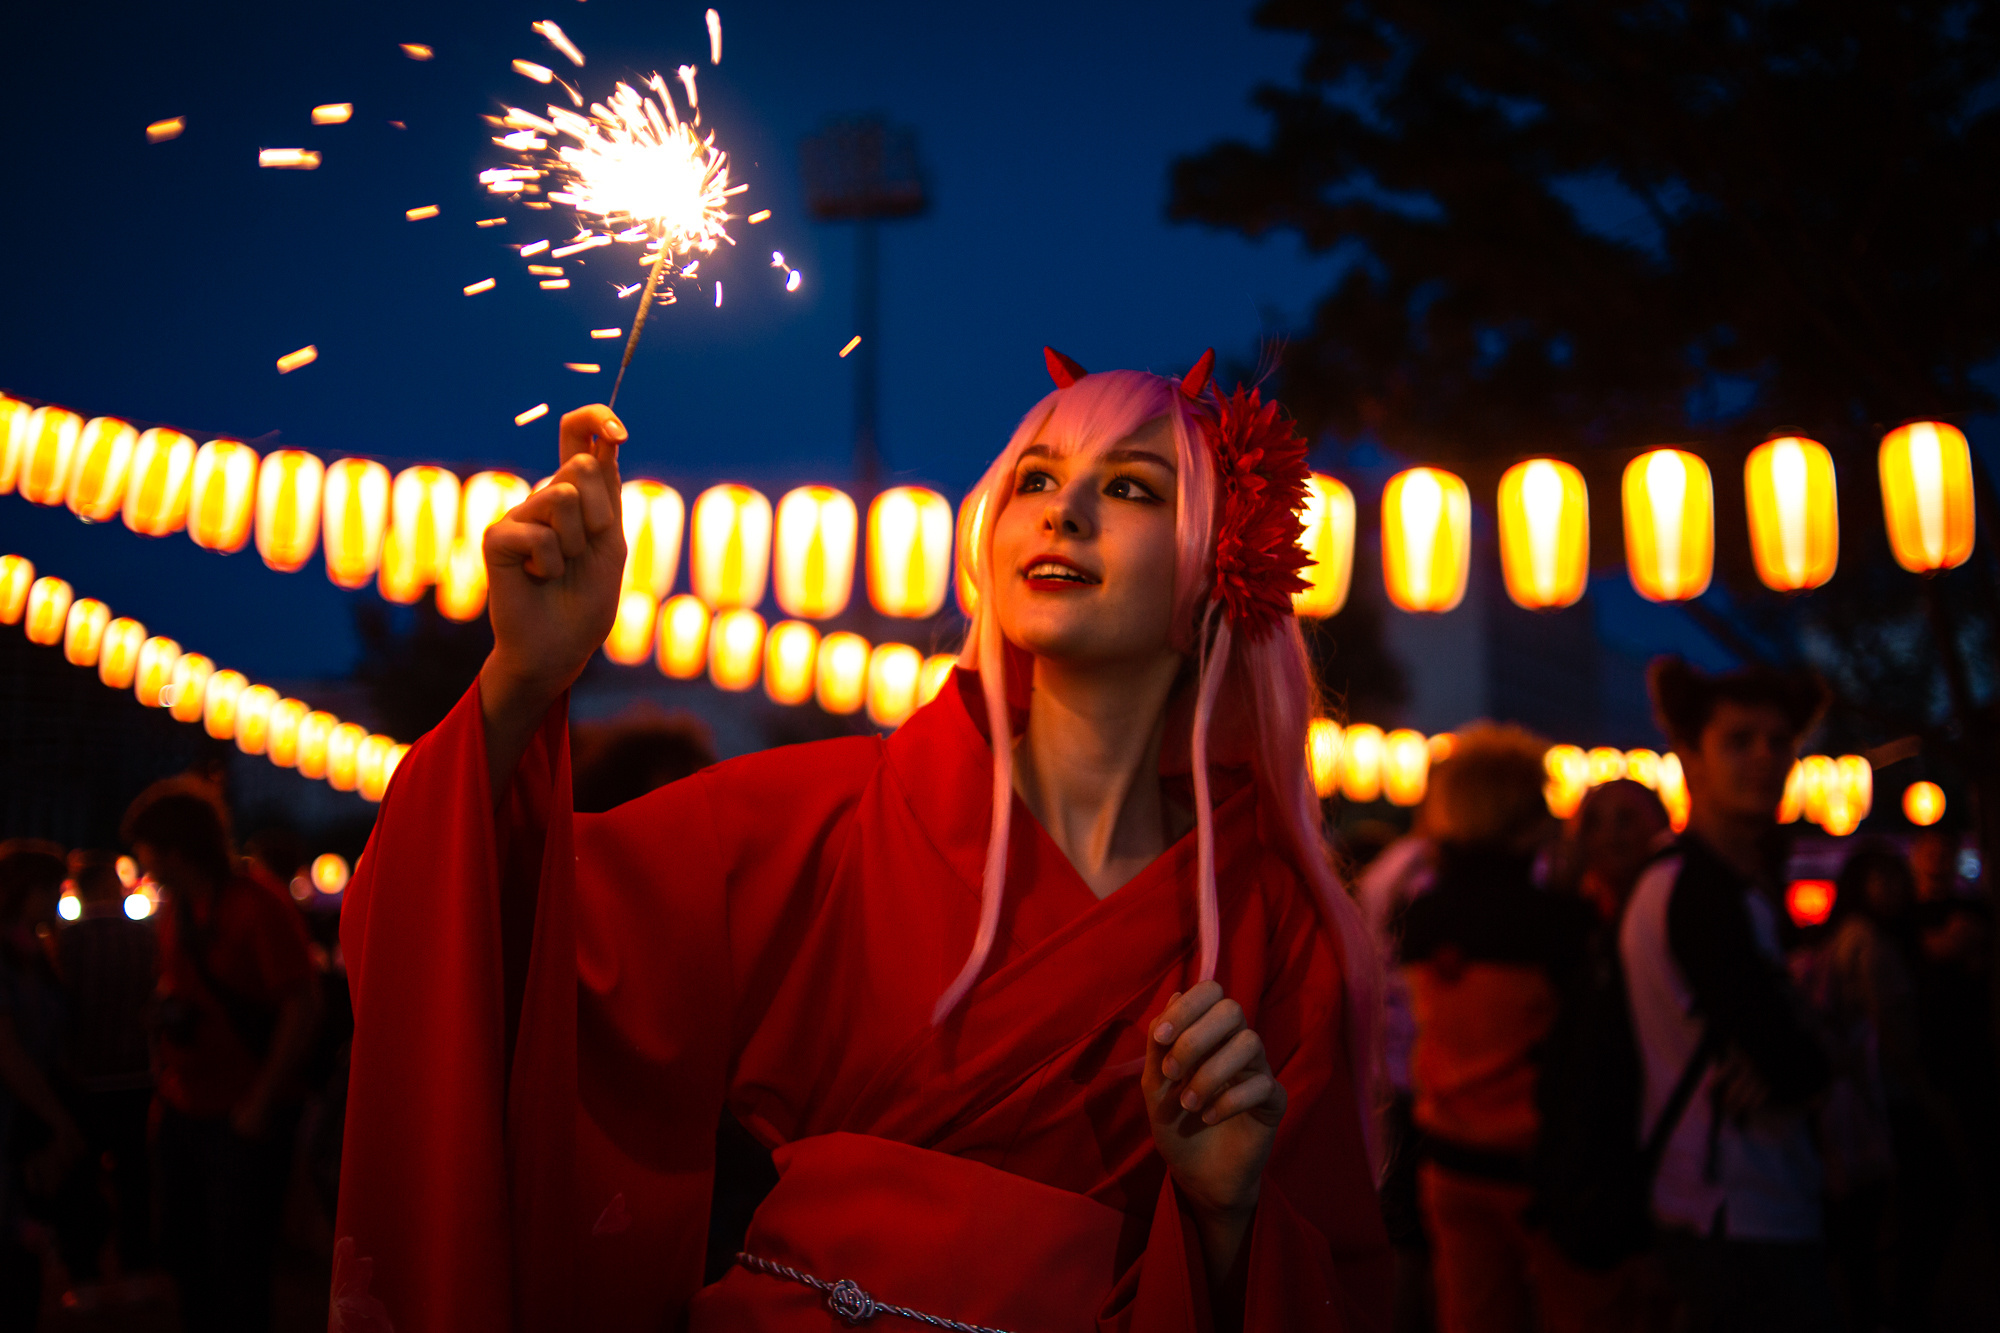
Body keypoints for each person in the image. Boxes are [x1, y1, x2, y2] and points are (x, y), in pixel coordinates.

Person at [334, 353, 1390, 1332]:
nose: (1062, 510)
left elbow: (1334, 1276)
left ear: (1222, 566)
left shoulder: (1270, 923)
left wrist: (1221, 1220)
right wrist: (524, 682)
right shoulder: (827, 814)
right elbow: (486, 934)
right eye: (1033, 479)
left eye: (1129, 488)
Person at [1621, 659, 1836, 1333]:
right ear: (1690, 755)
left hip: (1736, 1196)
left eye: (1781, 741)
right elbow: (1794, 1058)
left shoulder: (1719, 883)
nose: (1766, 758)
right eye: (1739, 740)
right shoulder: (1698, 891)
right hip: (1736, 1206)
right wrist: (1812, 1045)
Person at [1396, 725, 1622, 1333]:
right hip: (1542, 1167)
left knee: (1473, 1313)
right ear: (1523, 815)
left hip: (1447, 1156)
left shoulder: (1423, 915)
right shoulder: (1557, 923)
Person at [125, 780, 323, 1333]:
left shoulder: (255, 905)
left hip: (243, 1112)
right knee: (187, 1256)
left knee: (238, 1264)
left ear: (173, 849)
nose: (142, 863)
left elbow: (301, 1005)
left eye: (145, 849)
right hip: (185, 1106)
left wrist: (260, 1101)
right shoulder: (180, 911)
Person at [50, 850, 160, 1301]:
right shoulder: (143, 937)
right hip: (136, 1074)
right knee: (135, 1179)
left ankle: (87, 1278)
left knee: (82, 1182)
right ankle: (138, 1272)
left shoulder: (67, 942)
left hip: (84, 1077)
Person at [0, 838, 86, 1327]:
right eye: (50, 890)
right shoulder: (16, 958)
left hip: (32, 1120)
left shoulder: (38, 953)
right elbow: (8, 1051)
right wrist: (59, 1120)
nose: (55, 900)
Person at [1563, 780, 1671, 924]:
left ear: (1657, 825)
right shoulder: (1571, 920)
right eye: (1594, 823)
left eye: (1625, 818)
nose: (1609, 835)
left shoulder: (1677, 905)